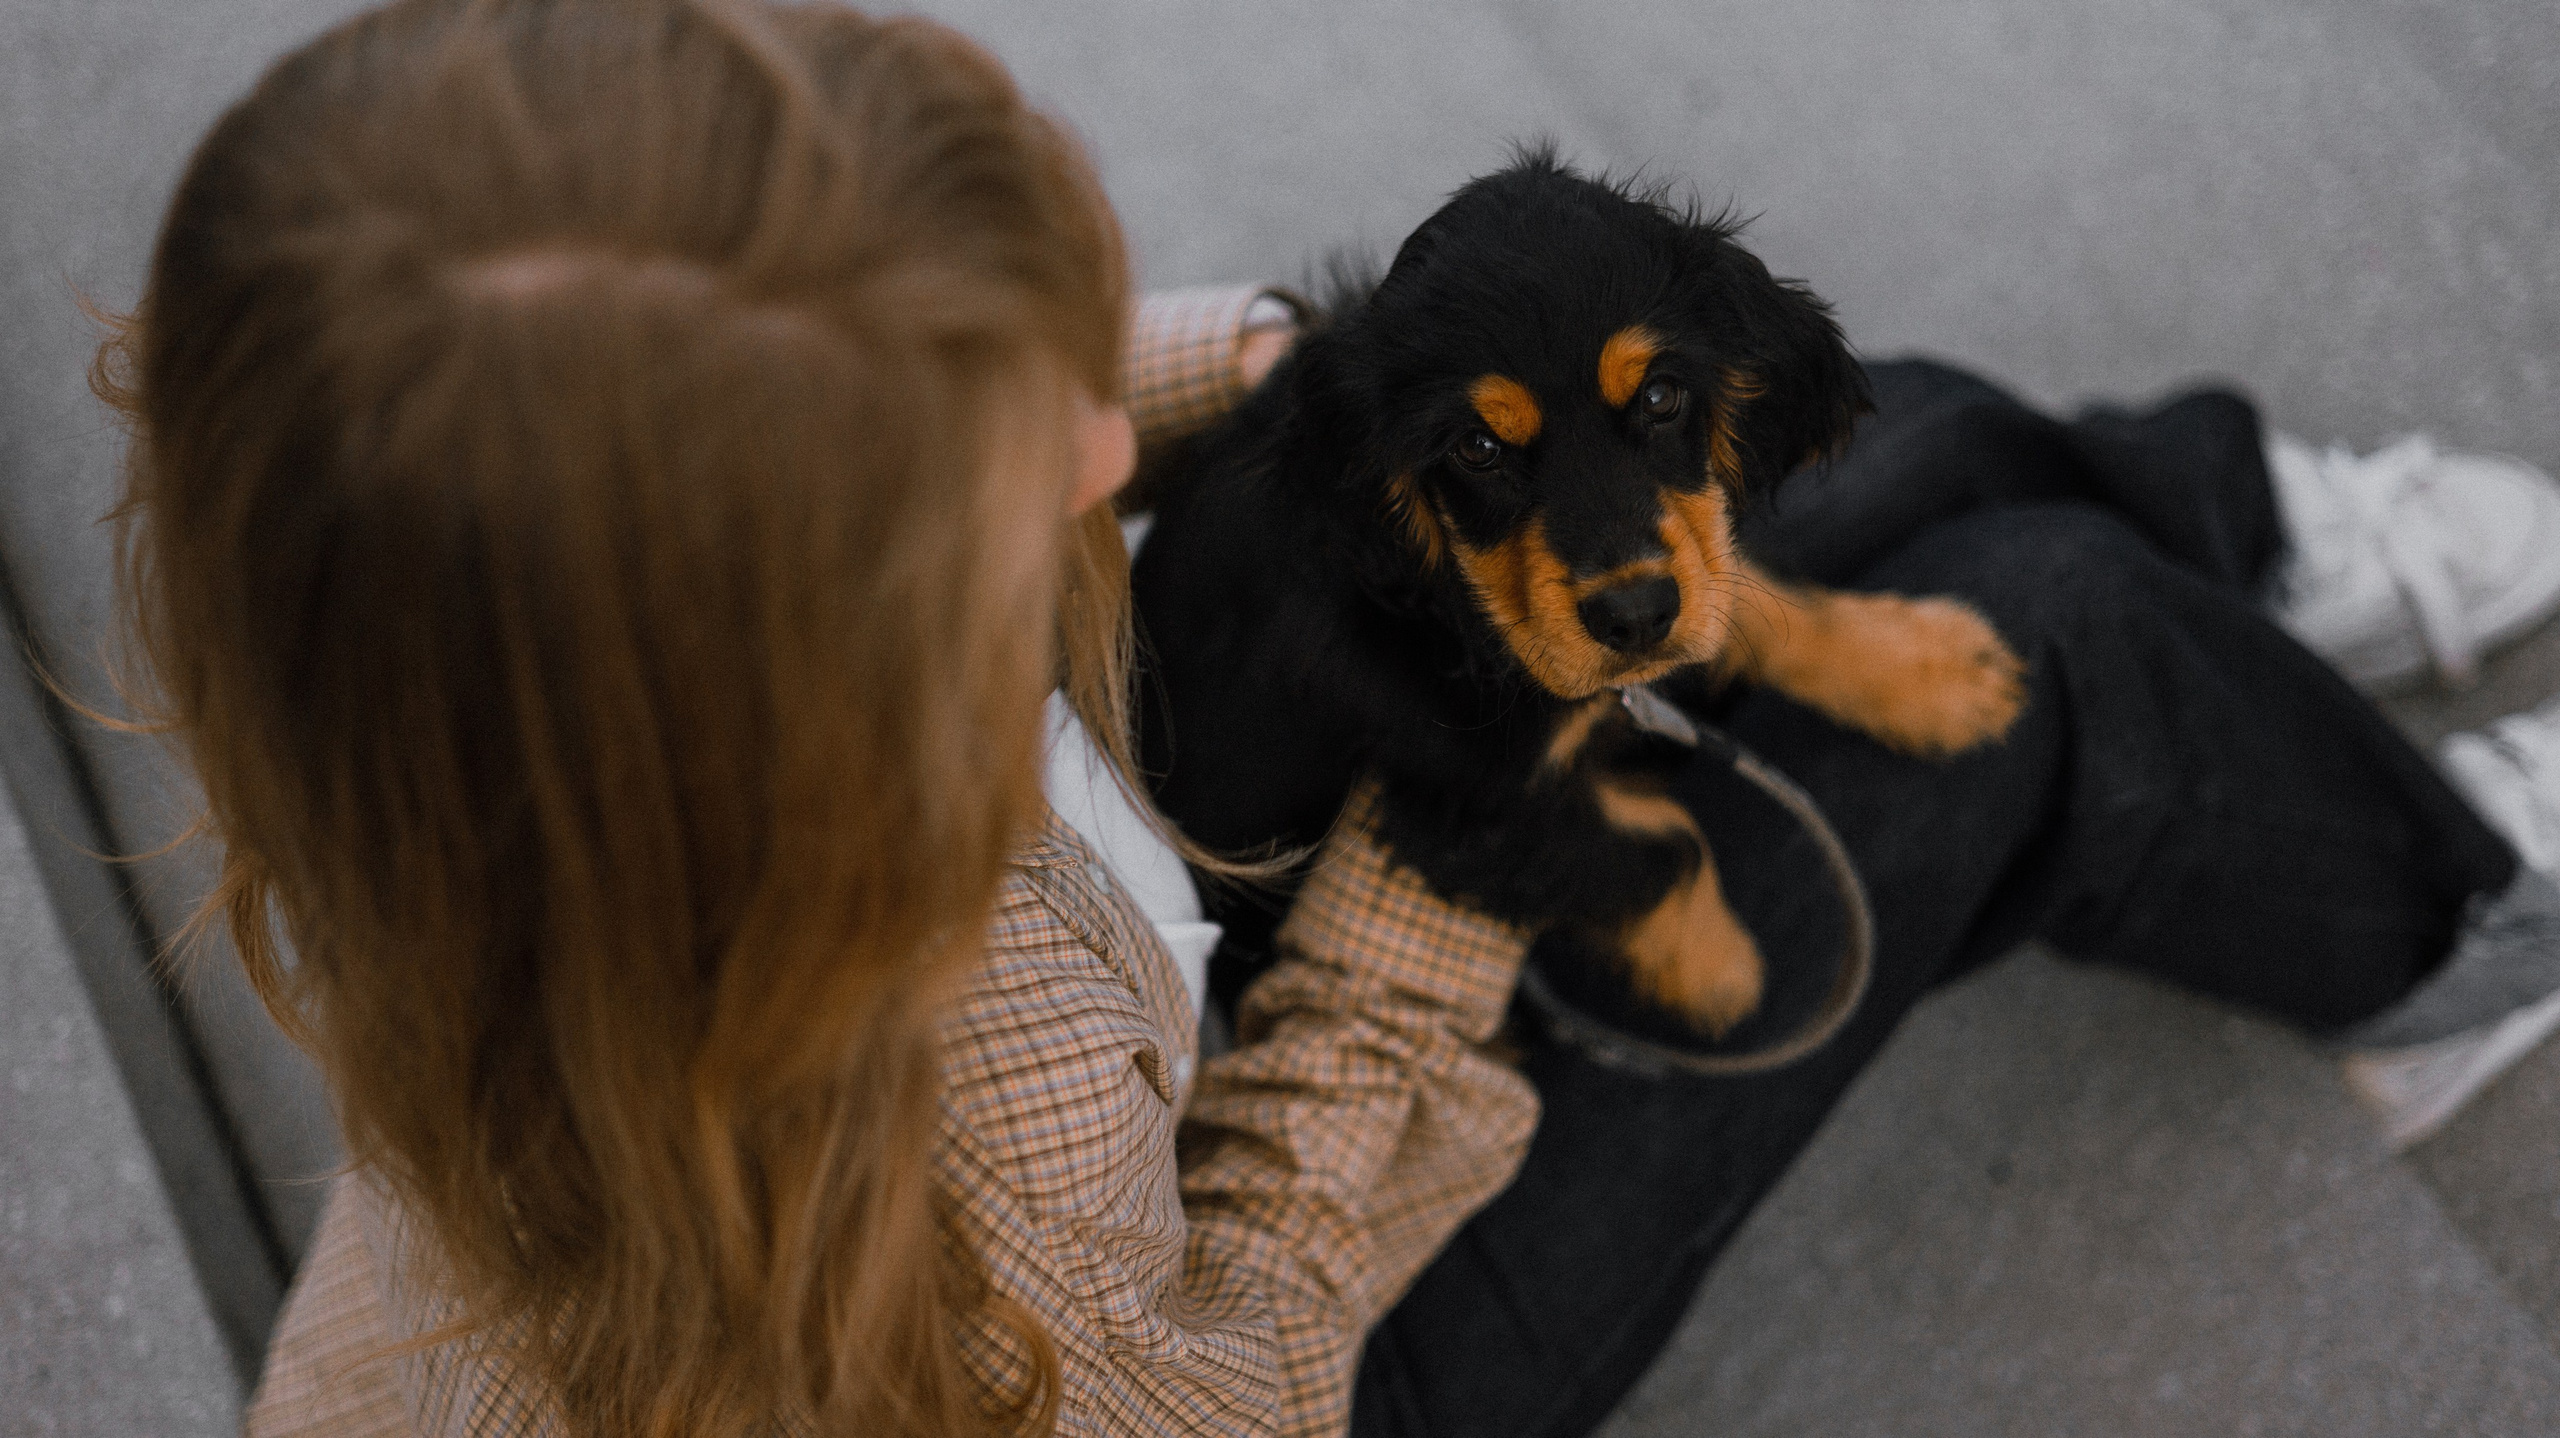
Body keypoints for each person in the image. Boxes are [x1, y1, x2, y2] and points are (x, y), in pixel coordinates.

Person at [109, 2, 2560, 1436]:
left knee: (1708, 444)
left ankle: (2221, 523)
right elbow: (1238, 1378)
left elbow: (1047, 391)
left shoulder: (499, 718)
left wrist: (1304, 379)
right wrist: (1437, 813)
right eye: (1020, 441)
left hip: (1166, 891)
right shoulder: (994, 1065)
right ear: (808, 656)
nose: (1098, 432)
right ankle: (2438, 923)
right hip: (1307, 1317)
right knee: (2039, 646)